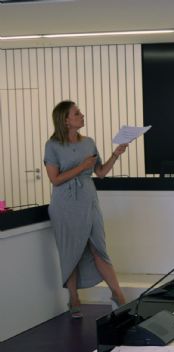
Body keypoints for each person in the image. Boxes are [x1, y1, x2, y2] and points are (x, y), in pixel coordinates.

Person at [44, 100, 127, 318]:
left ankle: (118, 295)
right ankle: (74, 298)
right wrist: (81, 167)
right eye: (77, 113)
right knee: (71, 251)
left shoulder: (89, 142)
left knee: (99, 248)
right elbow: (55, 179)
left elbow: (100, 172)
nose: (82, 115)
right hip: (65, 205)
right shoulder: (52, 145)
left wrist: (116, 154)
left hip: (89, 200)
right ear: (66, 120)